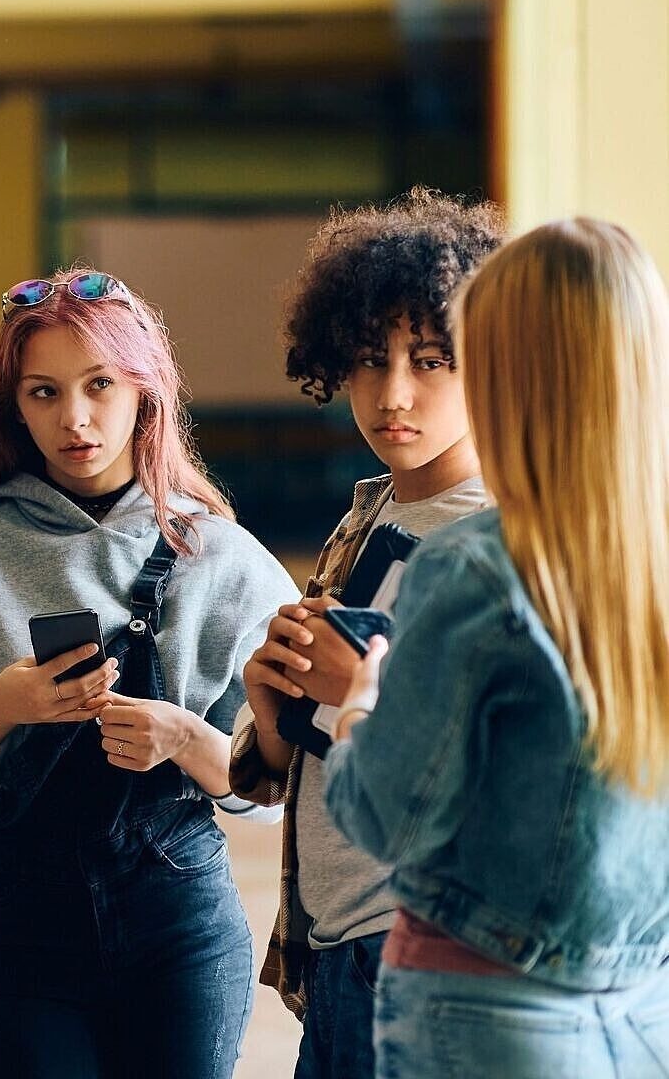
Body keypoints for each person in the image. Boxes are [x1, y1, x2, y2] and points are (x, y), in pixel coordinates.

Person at [0, 268, 298, 1078]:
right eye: (43, 392)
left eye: (100, 384)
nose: (74, 418)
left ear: (146, 392)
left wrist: (179, 736)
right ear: (13, 406)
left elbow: (269, 796)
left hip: (181, 932)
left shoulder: (224, 560)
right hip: (24, 940)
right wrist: (6, 703)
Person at [324, 218, 669, 1079]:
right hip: (644, 1000)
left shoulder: (478, 567)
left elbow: (385, 816)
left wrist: (361, 697)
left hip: (482, 1008)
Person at [227, 189, 506, 1079]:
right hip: (334, 943)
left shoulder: (513, 537)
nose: (394, 395)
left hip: (435, 950)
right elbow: (299, 768)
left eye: (431, 363)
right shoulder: (371, 513)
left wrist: (362, 695)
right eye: (368, 360)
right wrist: (272, 708)